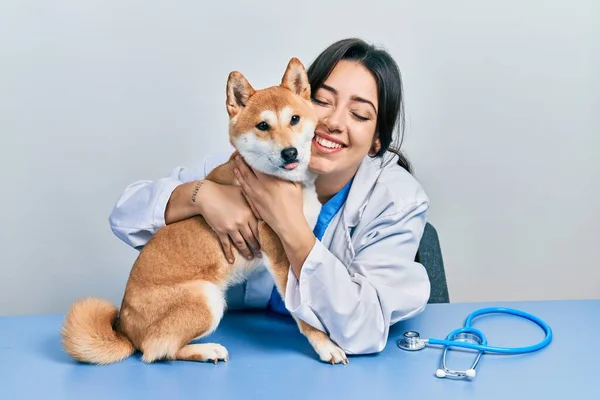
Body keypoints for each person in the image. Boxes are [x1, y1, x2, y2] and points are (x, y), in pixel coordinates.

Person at [108, 38, 431, 355]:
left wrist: (290, 226)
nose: (332, 122)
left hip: (304, 354)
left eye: (359, 115)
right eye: (322, 101)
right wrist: (201, 195)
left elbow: (364, 329)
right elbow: (124, 216)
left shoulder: (396, 200)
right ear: (303, 99)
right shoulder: (245, 164)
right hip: (241, 342)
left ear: (377, 142)